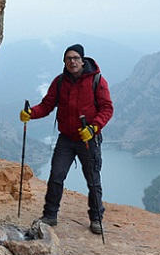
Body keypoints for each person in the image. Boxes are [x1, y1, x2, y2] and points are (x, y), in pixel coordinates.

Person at [19, 44, 114, 234]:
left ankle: (96, 219)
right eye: (68, 58)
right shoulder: (60, 82)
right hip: (66, 139)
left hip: (88, 139)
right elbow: (47, 105)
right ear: (64, 61)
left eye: (76, 58)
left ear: (83, 60)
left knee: (93, 180)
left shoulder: (96, 80)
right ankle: (50, 216)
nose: (72, 61)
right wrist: (30, 113)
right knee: (56, 176)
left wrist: (94, 127)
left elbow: (107, 108)